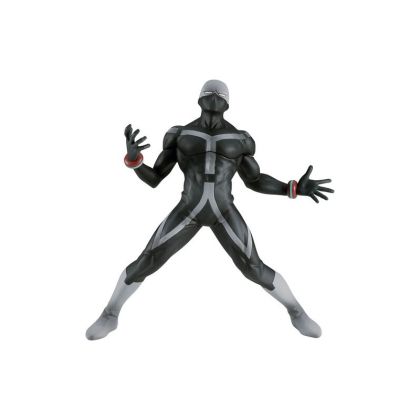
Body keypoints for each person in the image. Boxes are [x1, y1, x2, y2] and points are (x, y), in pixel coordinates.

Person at [86, 80, 334, 340]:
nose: (215, 96)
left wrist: (293, 188)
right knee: (146, 261)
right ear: (199, 99)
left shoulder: (240, 139)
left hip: (222, 212)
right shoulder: (180, 134)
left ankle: (296, 311)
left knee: (253, 268)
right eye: (210, 92)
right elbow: (155, 177)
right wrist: (135, 160)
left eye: (220, 94)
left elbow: (254, 180)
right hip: (189, 210)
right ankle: (110, 314)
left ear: (228, 103)